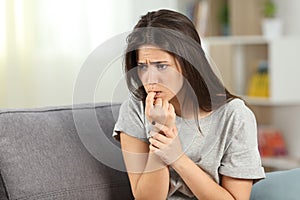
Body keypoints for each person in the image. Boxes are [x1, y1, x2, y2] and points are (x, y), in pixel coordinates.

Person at [113, 9, 265, 200]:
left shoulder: (234, 115)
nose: (151, 79)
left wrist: (177, 158)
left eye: (161, 66)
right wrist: (160, 130)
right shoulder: (135, 109)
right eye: (143, 66)